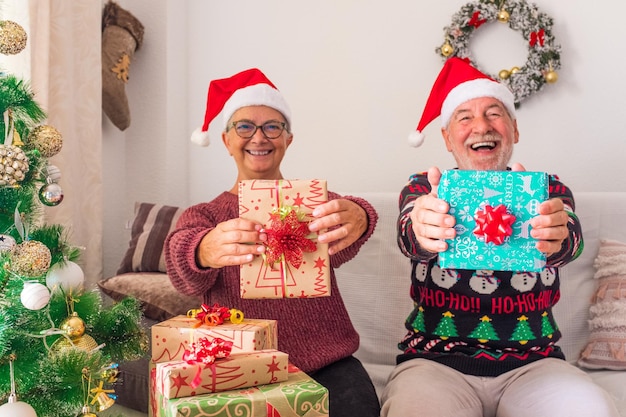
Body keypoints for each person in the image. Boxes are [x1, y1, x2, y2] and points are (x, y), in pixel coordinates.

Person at [380, 57, 619, 417]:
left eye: (495, 114)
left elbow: (570, 238)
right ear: (446, 138)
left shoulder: (547, 188)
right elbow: (408, 234)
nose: (481, 126)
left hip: (535, 365)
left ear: (514, 129)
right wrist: (422, 227)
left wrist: (557, 235)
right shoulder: (425, 188)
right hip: (435, 364)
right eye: (464, 117)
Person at [164, 68, 380, 417]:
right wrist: (204, 250)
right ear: (226, 140)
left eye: (272, 127)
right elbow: (181, 268)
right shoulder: (205, 214)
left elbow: (354, 227)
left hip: (329, 363)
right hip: (239, 366)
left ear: (288, 139)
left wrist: (362, 214)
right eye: (245, 126)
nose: (259, 137)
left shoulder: (311, 201)